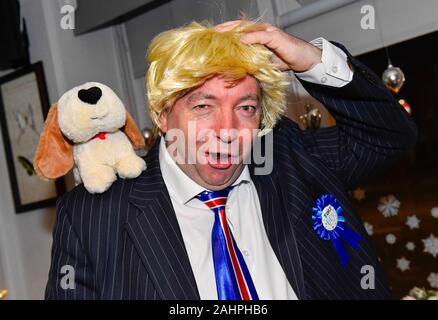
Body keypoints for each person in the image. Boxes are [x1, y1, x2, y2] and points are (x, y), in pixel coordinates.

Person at [45, 20, 417, 300]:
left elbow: (389, 137)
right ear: (162, 113)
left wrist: (310, 60)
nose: (228, 129)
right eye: (204, 106)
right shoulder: (93, 216)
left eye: (246, 107)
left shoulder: (289, 157)